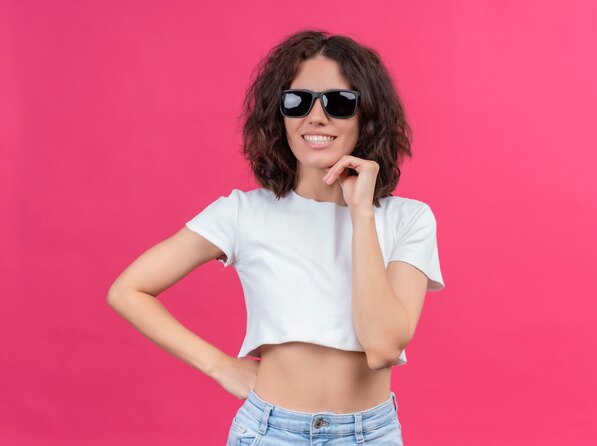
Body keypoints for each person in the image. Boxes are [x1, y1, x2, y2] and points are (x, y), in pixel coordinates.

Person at [107, 29, 444, 445]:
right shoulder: (243, 212)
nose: (315, 117)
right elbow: (128, 290)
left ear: (367, 115)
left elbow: (383, 347)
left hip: (369, 435)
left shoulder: (409, 219)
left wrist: (361, 212)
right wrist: (218, 365)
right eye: (297, 101)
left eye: (339, 103)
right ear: (278, 114)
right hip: (270, 433)